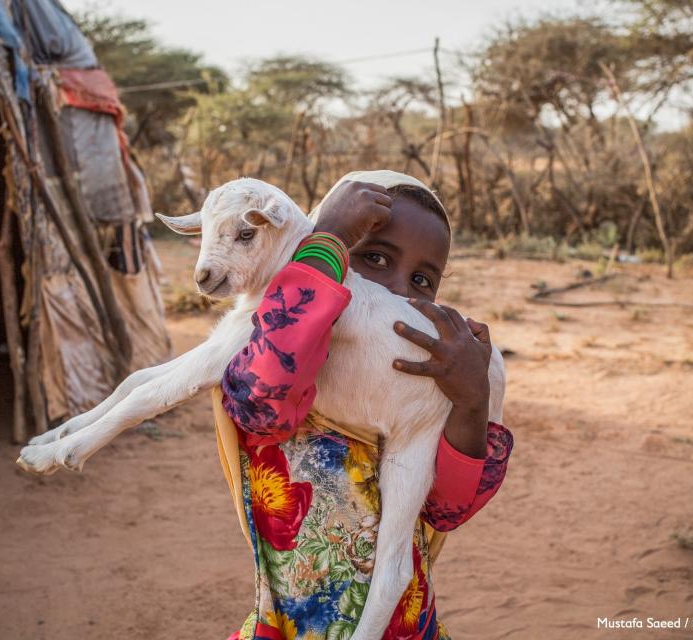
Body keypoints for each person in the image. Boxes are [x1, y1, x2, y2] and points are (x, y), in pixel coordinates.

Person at [213, 170, 513, 640]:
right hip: (287, 627)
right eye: (373, 258)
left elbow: (447, 509)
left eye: (422, 279)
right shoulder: (274, 346)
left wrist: (471, 402)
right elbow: (262, 401)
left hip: (404, 628)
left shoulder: (417, 387)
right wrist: (326, 239)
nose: (398, 290)